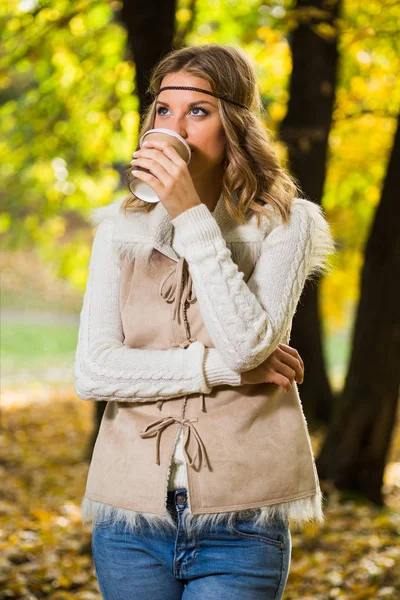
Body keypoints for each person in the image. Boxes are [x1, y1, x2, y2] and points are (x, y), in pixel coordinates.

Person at [74, 43, 335, 600]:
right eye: (163, 111)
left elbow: (248, 344)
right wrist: (221, 370)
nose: (176, 127)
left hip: (241, 522)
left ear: (234, 124)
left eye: (197, 110)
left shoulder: (288, 224)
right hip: (130, 521)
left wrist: (191, 215)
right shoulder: (117, 231)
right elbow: (94, 370)